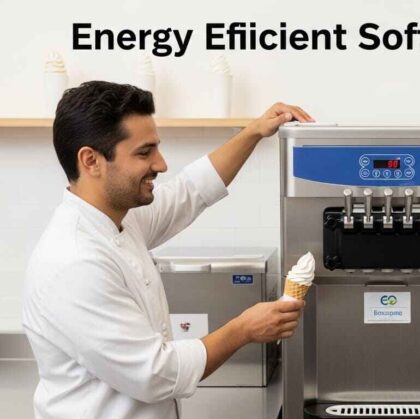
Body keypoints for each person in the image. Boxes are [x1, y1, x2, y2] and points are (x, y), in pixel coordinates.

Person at [21, 81, 313, 418]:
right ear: (91, 161)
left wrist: (253, 132)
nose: (161, 164)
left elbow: (190, 190)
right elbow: (156, 374)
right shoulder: (74, 262)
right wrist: (243, 329)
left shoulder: (118, 221)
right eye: (144, 153)